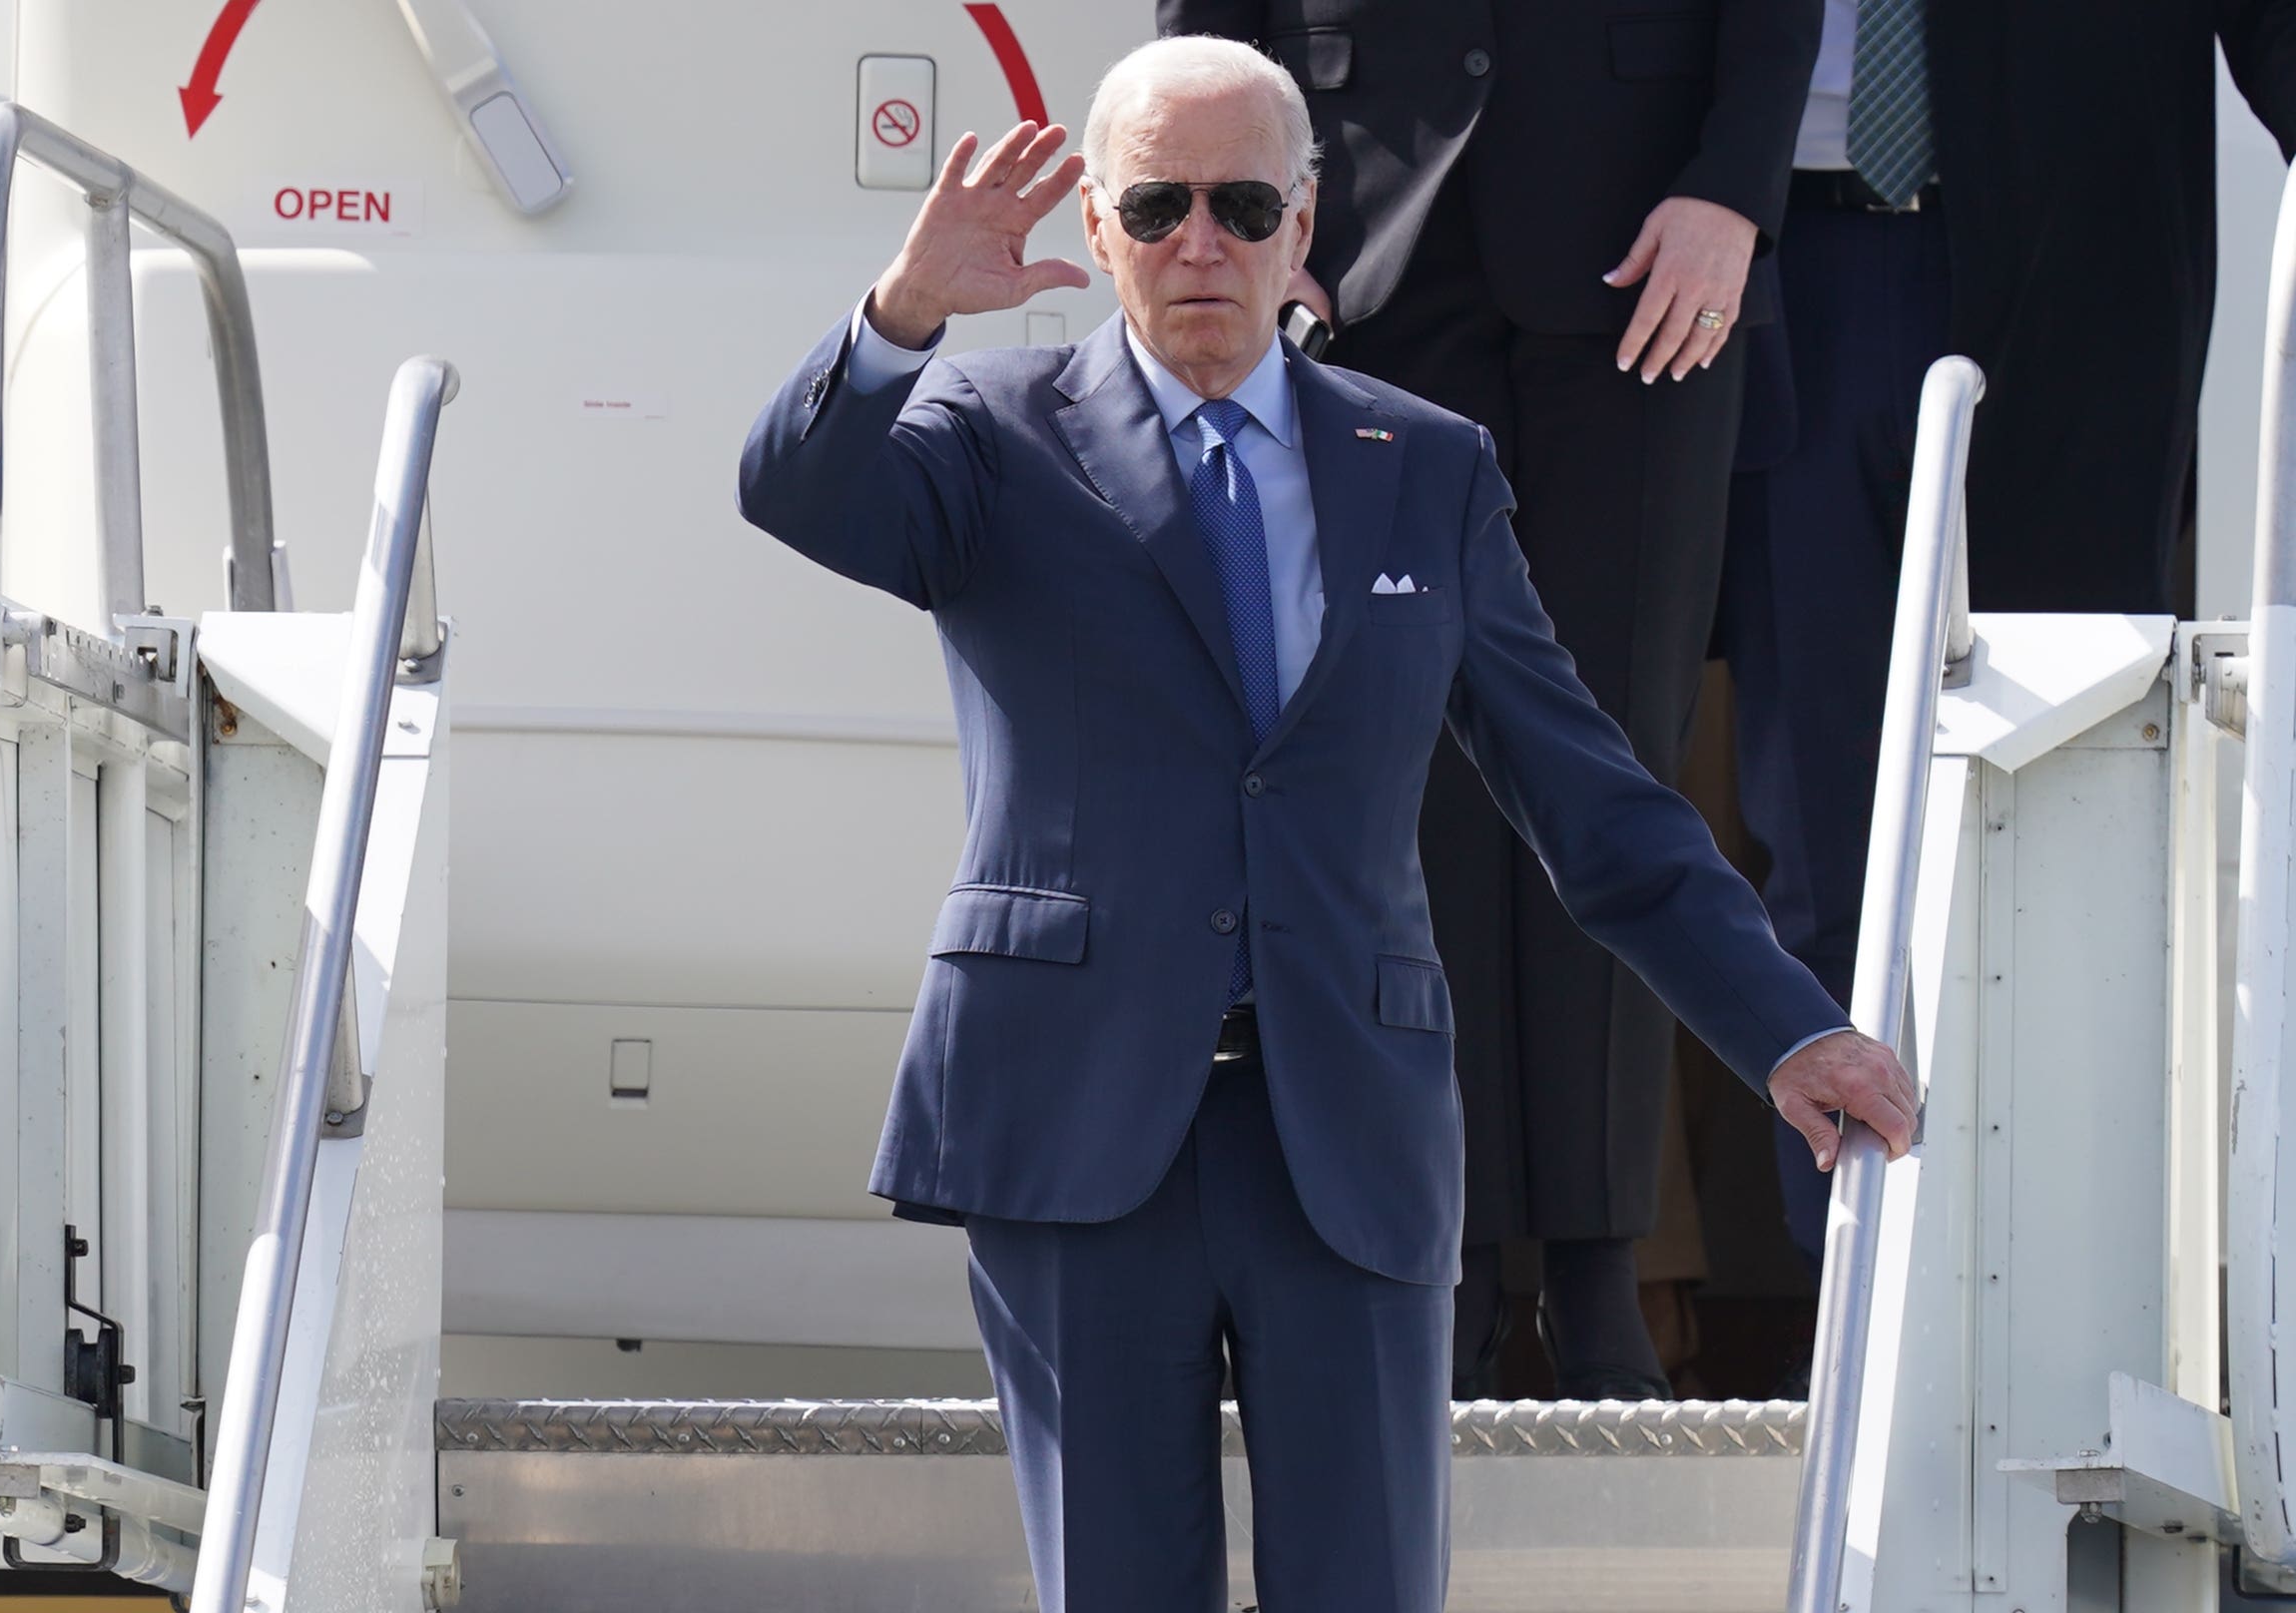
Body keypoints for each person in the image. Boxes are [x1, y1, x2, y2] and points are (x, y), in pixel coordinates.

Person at [736, 37, 1915, 1611]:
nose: (1200, 246)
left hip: (1341, 1132)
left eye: (1238, 203)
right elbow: (798, 494)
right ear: (1096, 227)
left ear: (1308, 218)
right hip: (1076, 1127)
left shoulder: (1421, 467)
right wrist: (901, 316)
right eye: (1156, 207)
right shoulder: (987, 434)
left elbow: (1590, 797)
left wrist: (1788, 1032)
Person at [1156, 0, 1821, 1398]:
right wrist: (1263, 218)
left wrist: (1734, 188)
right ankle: (1440, 1264)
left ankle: (1596, 1273)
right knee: (1409, 785)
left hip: (1653, 251)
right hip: (1363, 241)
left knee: (1610, 762)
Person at [1719, 0, 2296, 1289]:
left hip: (2080, 273)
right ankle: (1853, 1298)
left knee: (2075, 809)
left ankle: (2076, 1289)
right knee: (1827, 832)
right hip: (1778, 260)